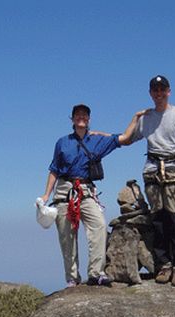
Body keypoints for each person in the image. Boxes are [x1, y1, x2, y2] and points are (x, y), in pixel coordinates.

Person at [40, 104, 145, 288]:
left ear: (88, 119)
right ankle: (72, 277)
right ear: (71, 119)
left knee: (99, 225)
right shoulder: (62, 142)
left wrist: (135, 118)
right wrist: (46, 195)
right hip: (64, 190)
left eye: (85, 115)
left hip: (86, 190)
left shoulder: (97, 140)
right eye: (78, 115)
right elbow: (54, 170)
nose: (81, 117)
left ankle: (96, 273)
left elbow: (125, 138)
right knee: (67, 236)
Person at [130, 75, 175, 287]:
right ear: (151, 93)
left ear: (168, 91)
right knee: (158, 221)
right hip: (153, 172)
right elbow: (127, 138)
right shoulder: (146, 118)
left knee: (174, 220)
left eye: (162, 89)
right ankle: (163, 265)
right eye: (155, 90)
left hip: (173, 170)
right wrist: (99, 135)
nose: (159, 94)